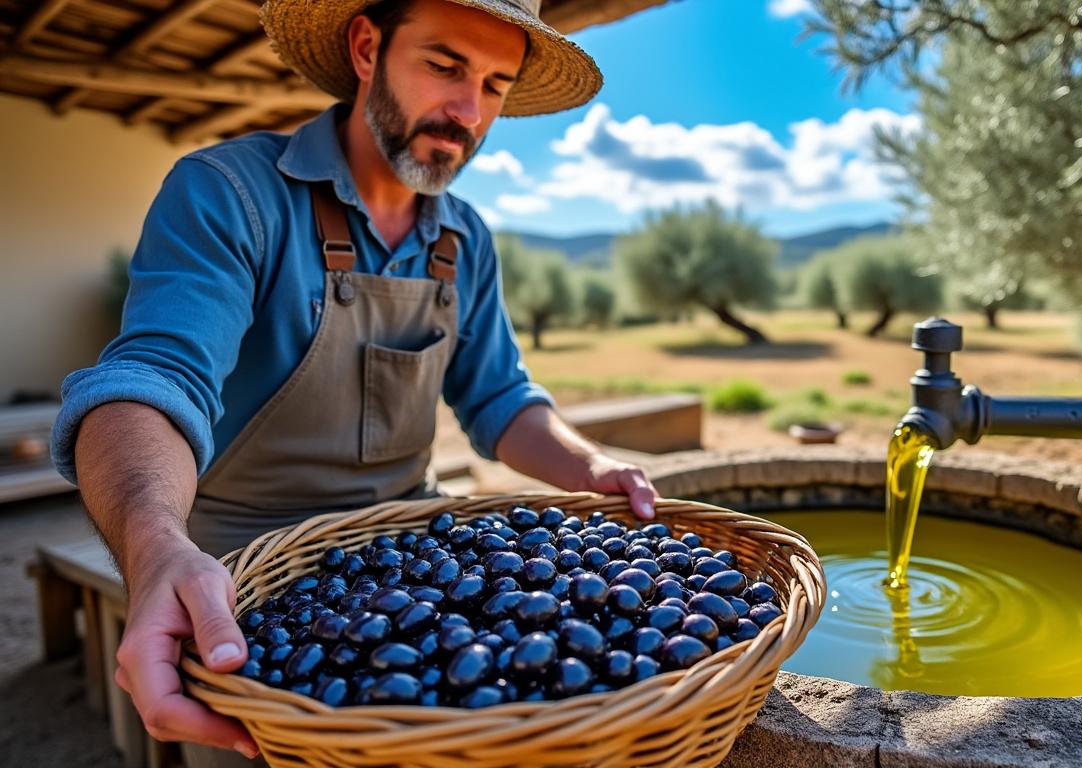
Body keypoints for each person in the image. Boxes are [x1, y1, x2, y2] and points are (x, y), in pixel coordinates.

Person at [49, 0, 658, 763]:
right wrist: (155, 548)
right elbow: (153, 379)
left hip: (418, 554)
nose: (469, 111)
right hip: (243, 577)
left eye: (495, 85)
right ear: (367, 48)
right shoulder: (229, 193)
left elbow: (501, 398)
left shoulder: (466, 237)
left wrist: (591, 466)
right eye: (445, 66)